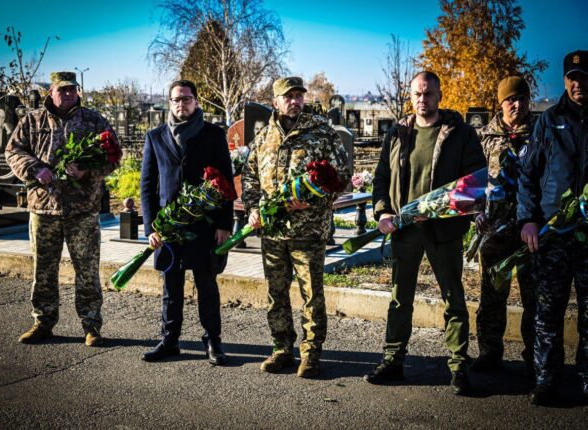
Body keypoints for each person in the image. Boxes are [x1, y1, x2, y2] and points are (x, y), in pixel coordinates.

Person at [364, 71, 485, 395]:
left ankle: (459, 366)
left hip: (443, 231)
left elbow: (474, 182)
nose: (422, 99)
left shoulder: (459, 133)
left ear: (440, 95)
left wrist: (461, 212)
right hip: (406, 231)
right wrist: (382, 211)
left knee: (453, 299)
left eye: (429, 93)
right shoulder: (397, 132)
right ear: (411, 95)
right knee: (399, 300)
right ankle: (393, 361)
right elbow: (381, 177)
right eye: (417, 94)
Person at [241, 77, 350, 378]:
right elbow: (249, 179)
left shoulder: (321, 131)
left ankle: (311, 354)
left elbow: (342, 176)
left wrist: (316, 200)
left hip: (309, 230)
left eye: (299, 95)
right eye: (288, 96)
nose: (295, 101)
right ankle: (281, 349)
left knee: (311, 294)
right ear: (275, 102)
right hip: (273, 232)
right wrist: (252, 210)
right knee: (276, 293)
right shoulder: (263, 138)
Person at [6, 71, 120, 347]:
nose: (68, 94)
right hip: (44, 209)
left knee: (87, 270)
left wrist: (88, 171)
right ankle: (43, 323)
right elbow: (13, 151)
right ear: (51, 93)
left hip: (82, 210)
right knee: (43, 270)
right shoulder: (32, 121)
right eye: (62, 90)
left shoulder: (92, 120)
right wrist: (35, 169)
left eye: (72, 89)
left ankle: (92, 326)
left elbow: (114, 155)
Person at [140, 80, 234, 366]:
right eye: (176, 100)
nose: (182, 104)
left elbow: (226, 181)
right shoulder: (155, 137)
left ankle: (213, 340)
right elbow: (147, 185)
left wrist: (224, 224)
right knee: (171, 286)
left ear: (196, 101)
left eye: (187, 99)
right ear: (169, 102)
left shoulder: (213, 134)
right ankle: (170, 340)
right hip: (169, 228)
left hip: (204, 226)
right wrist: (151, 228)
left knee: (206, 284)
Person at [518, 50, 588, 405]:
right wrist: (528, 219)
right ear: (564, 81)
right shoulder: (548, 122)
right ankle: (547, 378)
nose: (579, 84)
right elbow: (528, 175)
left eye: (585, 77)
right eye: (573, 78)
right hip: (552, 233)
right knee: (548, 309)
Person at [472, 76, 537, 377]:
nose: (517, 104)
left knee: (533, 296)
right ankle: (489, 352)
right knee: (492, 295)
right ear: (500, 103)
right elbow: (473, 180)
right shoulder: (485, 137)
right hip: (494, 230)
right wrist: (477, 213)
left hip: (531, 231)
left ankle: (534, 354)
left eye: (522, 98)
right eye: (511, 99)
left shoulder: (539, 133)